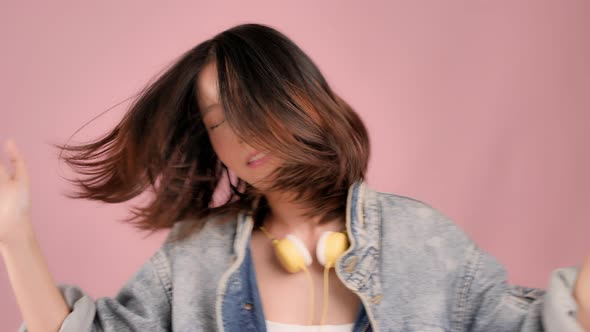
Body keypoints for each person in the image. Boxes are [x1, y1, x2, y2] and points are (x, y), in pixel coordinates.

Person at [0, 23, 588, 332]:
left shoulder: (420, 241)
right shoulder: (195, 259)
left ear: (302, 103)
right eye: (217, 121)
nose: (241, 136)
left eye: (253, 107)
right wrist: (14, 233)